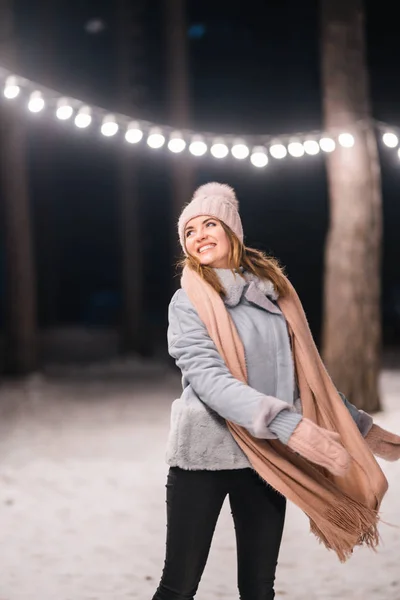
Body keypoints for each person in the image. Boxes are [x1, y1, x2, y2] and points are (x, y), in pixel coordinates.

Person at [152, 182, 400, 600]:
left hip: (268, 459)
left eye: (209, 224)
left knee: (258, 587)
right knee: (179, 586)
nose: (199, 237)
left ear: (232, 230)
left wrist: (362, 429)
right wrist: (288, 424)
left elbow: (310, 377)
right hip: (204, 457)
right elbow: (209, 380)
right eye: (190, 232)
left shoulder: (274, 296)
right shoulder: (187, 301)